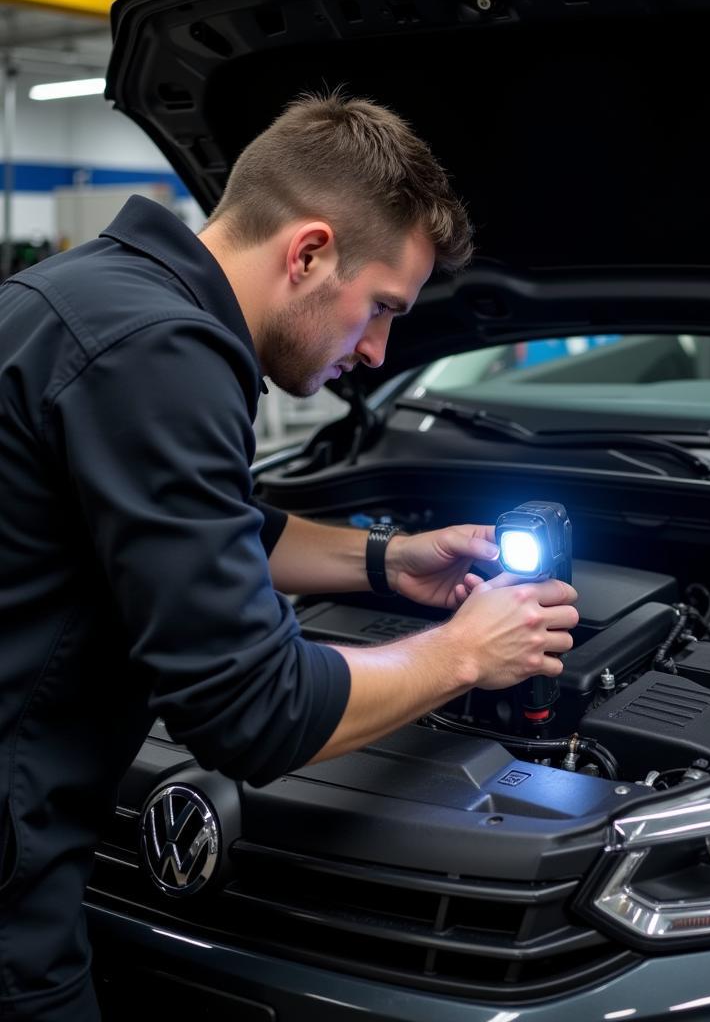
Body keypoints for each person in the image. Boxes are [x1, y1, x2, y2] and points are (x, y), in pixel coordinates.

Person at [0, 93, 578, 1021]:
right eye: (382, 308)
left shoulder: (84, 295)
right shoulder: (164, 352)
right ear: (308, 252)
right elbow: (251, 713)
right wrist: (467, 652)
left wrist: (389, 560)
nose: (379, 350)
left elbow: (218, 528)